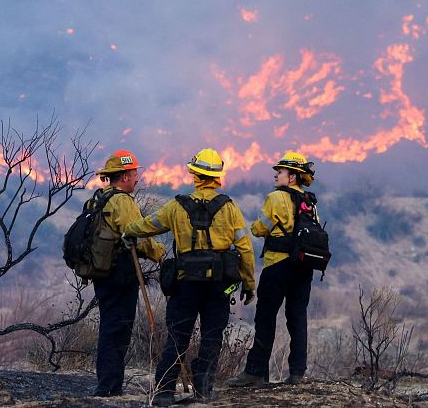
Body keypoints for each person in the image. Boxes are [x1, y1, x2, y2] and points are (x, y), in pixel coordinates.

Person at [124, 148, 256, 406]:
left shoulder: (176, 206)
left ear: (195, 175)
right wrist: (249, 284)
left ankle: (163, 393)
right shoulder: (230, 208)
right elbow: (245, 249)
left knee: (177, 337)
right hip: (218, 286)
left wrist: (129, 231)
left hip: (184, 284)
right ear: (217, 177)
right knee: (212, 337)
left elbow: (149, 224)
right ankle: (203, 391)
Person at [228, 151, 318, 387]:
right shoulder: (309, 201)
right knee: (297, 317)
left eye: (280, 171)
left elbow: (260, 229)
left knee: (265, 318)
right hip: (303, 267)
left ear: (292, 176)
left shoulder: (276, 197)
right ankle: (297, 373)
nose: (276, 175)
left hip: (277, 265)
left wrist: (256, 225)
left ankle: (255, 373)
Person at [91, 150, 165, 397]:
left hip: (102, 272)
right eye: (134, 173)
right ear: (124, 176)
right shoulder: (122, 201)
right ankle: (108, 388)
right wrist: (160, 253)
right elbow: (138, 235)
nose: (136, 178)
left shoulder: (99, 199)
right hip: (120, 273)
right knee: (118, 328)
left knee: (110, 325)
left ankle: (110, 384)